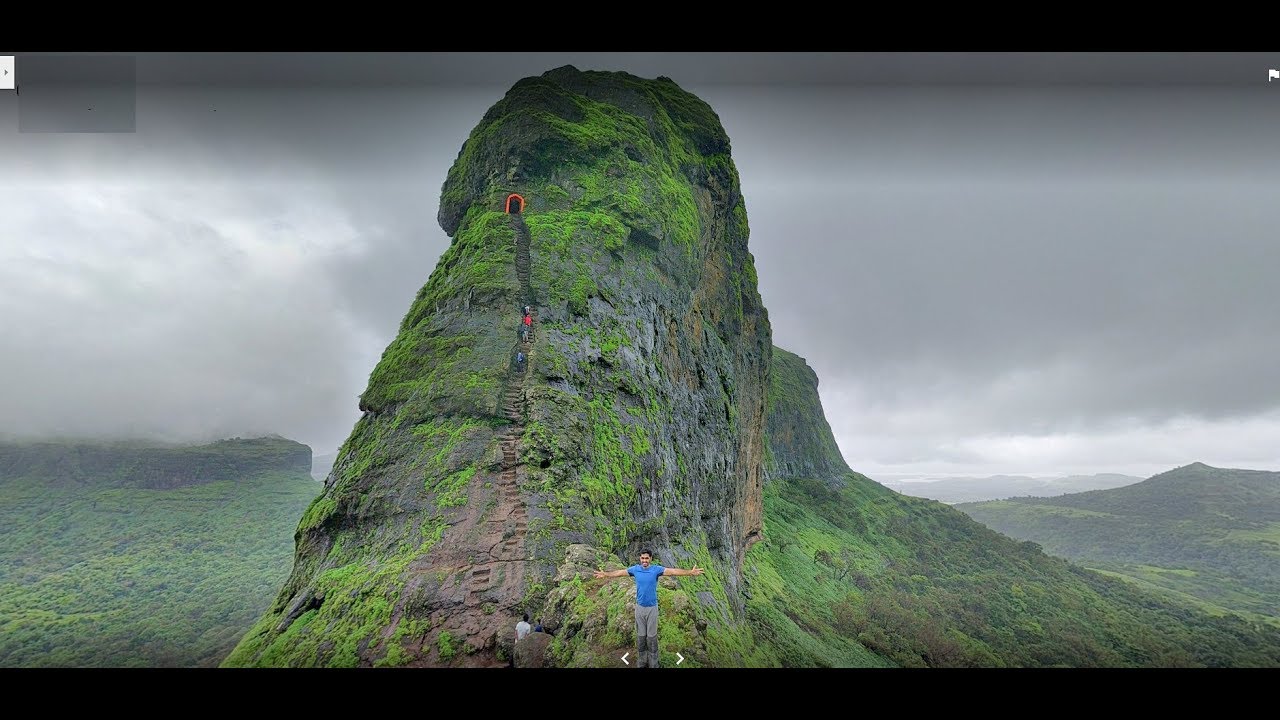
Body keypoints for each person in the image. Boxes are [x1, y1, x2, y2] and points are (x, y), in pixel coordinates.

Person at [593, 550, 703, 668]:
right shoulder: (635, 569)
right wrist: (606, 574)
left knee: (651, 636)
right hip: (639, 608)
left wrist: (690, 572)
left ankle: (653, 662)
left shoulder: (656, 570)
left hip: (652, 608)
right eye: (642, 558)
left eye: (646, 558)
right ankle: (642, 660)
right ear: (640, 559)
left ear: (650, 558)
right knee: (641, 635)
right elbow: (620, 573)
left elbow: (672, 571)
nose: (644, 561)